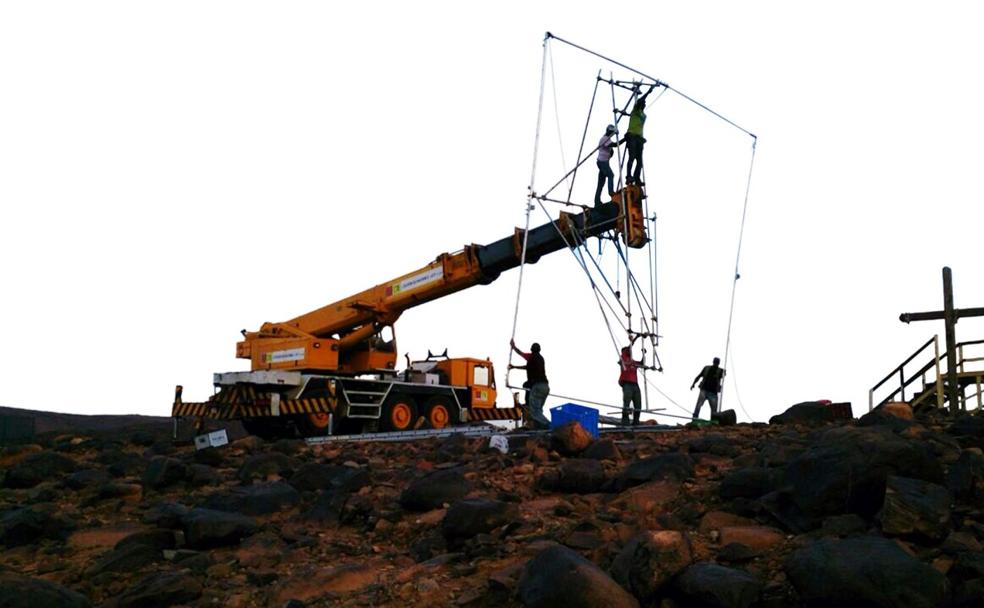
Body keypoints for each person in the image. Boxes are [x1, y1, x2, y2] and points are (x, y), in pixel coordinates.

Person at [509, 339, 550, 429]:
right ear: (539, 350)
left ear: (531, 350)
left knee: (534, 411)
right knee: (538, 410)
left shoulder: (531, 357)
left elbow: (521, 354)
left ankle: (549, 426)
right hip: (545, 387)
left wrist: (513, 347)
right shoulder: (541, 358)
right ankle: (540, 428)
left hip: (537, 387)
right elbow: (528, 366)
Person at [625, 85, 654, 185]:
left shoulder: (644, 115)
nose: (644, 103)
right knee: (631, 157)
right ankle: (628, 176)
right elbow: (640, 101)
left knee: (640, 162)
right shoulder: (635, 110)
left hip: (639, 138)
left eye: (645, 103)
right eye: (643, 102)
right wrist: (648, 93)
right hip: (632, 136)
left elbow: (642, 102)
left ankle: (637, 178)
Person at [618, 337, 645, 426]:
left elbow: (642, 363)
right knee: (627, 402)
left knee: (638, 404)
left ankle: (636, 422)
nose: (629, 351)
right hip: (627, 383)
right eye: (627, 350)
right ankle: (625, 422)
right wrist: (637, 337)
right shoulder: (623, 358)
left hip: (635, 384)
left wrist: (643, 354)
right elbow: (630, 346)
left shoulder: (632, 361)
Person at [595, 124, 617, 206]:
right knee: (611, 175)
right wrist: (624, 140)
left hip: (604, 162)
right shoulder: (604, 138)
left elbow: (611, 150)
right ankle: (611, 192)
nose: (611, 134)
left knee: (601, 183)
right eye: (611, 132)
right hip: (602, 162)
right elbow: (614, 145)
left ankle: (597, 201)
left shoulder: (608, 139)